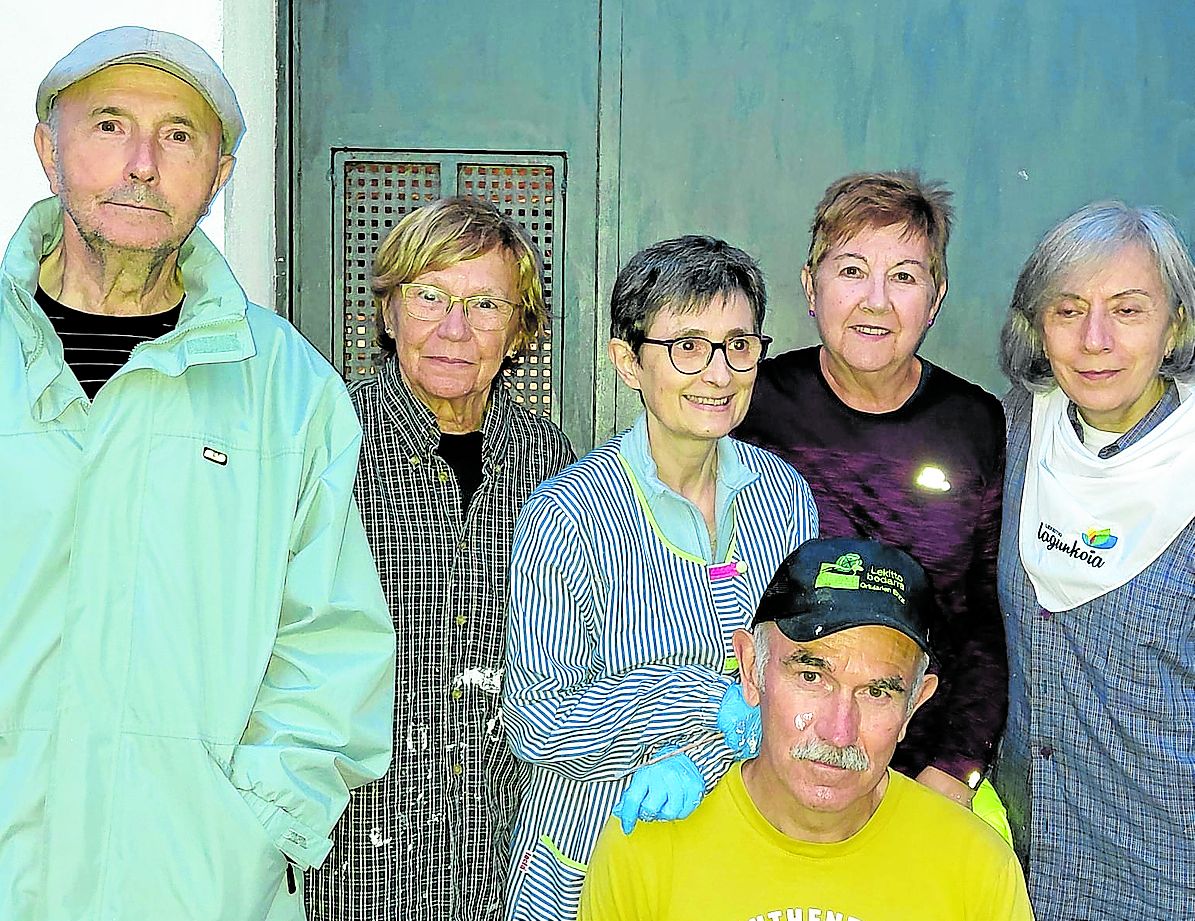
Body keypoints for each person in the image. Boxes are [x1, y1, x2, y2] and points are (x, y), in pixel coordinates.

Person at [0, 27, 396, 921]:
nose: (142, 163)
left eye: (179, 135)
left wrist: (255, 827)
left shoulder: (287, 387)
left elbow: (333, 648)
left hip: (196, 889)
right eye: (108, 125)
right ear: (46, 147)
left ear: (218, 174)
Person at [502, 235, 818, 921]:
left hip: (738, 846)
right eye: (686, 345)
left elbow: (791, 680)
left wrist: (699, 758)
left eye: (738, 344)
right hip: (592, 845)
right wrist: (699, 697)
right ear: (627, 362)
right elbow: (540, 720)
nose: (717, 372)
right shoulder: (568, 515)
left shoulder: (783, 496)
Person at [306, 197, 574, 921]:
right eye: (430, 296)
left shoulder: (548, 462)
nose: (455, 329)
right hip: (351, 864)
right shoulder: (325, 442)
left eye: (486, 303)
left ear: (519, 329)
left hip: (502, 863)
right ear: (388, 311)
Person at [580, 538, 1034, 921]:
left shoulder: (975, 870)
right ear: (752, 670)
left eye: (878, 692)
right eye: (811, 677)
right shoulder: (649, 849)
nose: (839, 732)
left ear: (914, 704)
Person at [736, 171, 1008, 808]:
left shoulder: (976, 424)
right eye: (852, 270)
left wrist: (955, 769)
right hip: (770, 763)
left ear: (935, 298)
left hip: (921, 776)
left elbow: (982, 617)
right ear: (811, 287)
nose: (876, 301)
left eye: (905, 277)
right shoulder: (749, 407)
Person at [994, 201, 1195, 915]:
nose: (1094, 339)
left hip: (1165, 872)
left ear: (1174, 323)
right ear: (1037, 329)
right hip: (1026, 863)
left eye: (1128, 309)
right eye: (1067, 309)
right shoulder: (1018, 429)